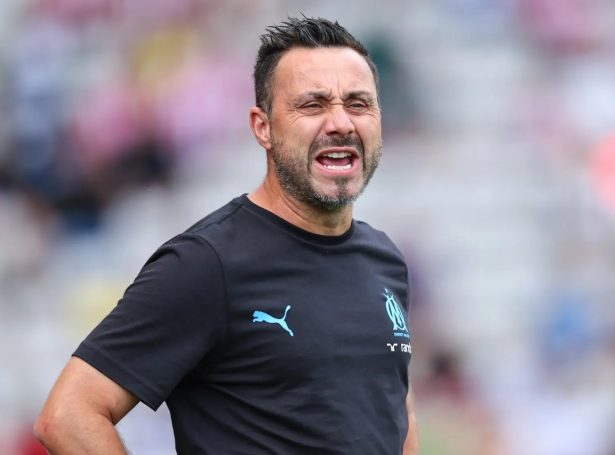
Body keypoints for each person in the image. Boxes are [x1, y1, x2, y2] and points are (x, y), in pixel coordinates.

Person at [34, 16, 419, 454]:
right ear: (263, 127)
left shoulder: (385, 260)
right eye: (313, 105)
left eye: (358, 103)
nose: (341, 123)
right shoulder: (206, 262)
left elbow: (397, 412)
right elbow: (68, 415)